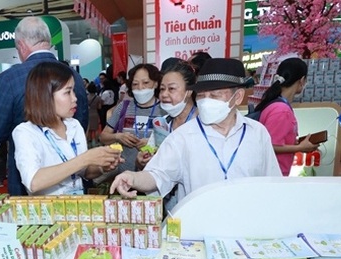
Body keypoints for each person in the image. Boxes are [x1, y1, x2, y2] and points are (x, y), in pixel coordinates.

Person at [110, 58, 281, 205]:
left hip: (246, 229)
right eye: (201, 95)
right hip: (198, 231)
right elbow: (157, 175)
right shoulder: (183, 137)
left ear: (237, 97)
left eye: (214, 96)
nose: (206, 101)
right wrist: (132, 178)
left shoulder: (257, 134)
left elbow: (272, 183)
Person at [0, 16, 88, 196]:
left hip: (25, 178)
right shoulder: (72, 74)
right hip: (71, 179)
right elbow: (83, 120)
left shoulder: (10, 78)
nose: (72, 99)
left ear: (22, 45)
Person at [12, 62, 121, 196]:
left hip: (77, 209)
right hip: (48, 213)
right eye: (67, 92)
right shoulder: (25, 132)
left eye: (73, 91)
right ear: (45, 96)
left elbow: (83, 171)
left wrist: (101, 166)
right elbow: (33, 181)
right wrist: (85, 158)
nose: (75, 98)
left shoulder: (74, 125)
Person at [253, 58, 319, 176]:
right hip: (274, 173)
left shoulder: (277, 104)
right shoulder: (281, 110)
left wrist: (297, 143)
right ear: (302, 80)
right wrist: (299, 147)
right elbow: (271, 146)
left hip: (273, 172)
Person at [99, 63, 164, 173]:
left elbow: (174, 143)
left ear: (156, 84)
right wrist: (118, 137)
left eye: (146, 83)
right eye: (135, 84)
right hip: (125, 176)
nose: (140, 88)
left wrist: (152, 144)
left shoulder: (164, 110)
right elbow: (103, 137)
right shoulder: (124, 107)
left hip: (155, 177)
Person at [138, 60, 198, 170]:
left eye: (171, 89)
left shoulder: (203, 124)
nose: (164, 94)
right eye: (162, 89)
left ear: (189, 91)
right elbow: (150, 151)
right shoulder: (161, 123)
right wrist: (143, 160)